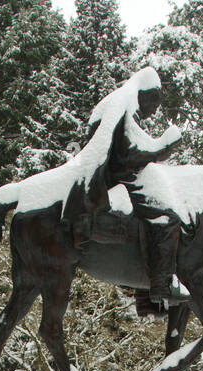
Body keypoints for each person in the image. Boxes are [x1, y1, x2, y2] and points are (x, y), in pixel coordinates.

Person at [63, 69, 184, 316]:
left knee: (149, 219)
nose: (153, 112)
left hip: (110, 175)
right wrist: (164, 147)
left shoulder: (112, 103)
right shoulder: (126, 105)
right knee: (166, 220)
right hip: (118, 179)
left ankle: (148, 293)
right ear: (147, 95)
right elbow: (131, 152)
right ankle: (158, 288)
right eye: (153, 104)